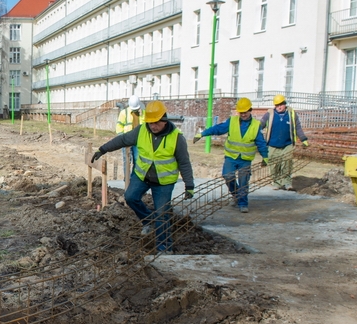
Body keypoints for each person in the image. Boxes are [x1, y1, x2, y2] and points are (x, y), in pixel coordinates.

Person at [92, 100, 195, 253]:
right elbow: (122, 139)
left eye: (156, 122)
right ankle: (149, 221)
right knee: (130, 197)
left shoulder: (177, 138)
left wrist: (189, 185)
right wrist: (103, 149)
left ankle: (164, 248)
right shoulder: (141, 130)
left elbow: (184, 163)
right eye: (150, 122)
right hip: (142, 176)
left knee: (162, 213)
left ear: (164, 119)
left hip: (163, 183)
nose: (153, 126)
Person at [193, 97, 269, 214]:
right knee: (228, 176)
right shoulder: (232, 121)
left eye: (245, 112)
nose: (243, 114)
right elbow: (218, 129)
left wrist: (265, 156)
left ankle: (243, 203)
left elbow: (261, 142)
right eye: (241, 112)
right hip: (231, 157)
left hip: (245, 159)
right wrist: (203, 133)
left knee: (243, 181)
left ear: (250, 110)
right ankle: (237, 196)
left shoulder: (256, 125)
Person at [259, 94, 309, 191]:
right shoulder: (269, 114)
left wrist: (303, 139)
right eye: (277, 105)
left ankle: (287, 183)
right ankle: (276, 182)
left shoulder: (291, 113)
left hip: (287, 144)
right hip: (272, 144)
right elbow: (259, 126)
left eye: (281, 105)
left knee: (287, 163)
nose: (279, 107)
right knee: (274, 165)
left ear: (285, 104)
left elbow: (297, 127)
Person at [115, 95, 142, 182]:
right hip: (127, 140)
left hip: (138, 141)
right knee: (127, 160)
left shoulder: (142, 113)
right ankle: (127, 178)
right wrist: (122, 138)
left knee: (137, 159)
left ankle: (134, 177)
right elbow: (119, 126)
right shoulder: (124, 113)